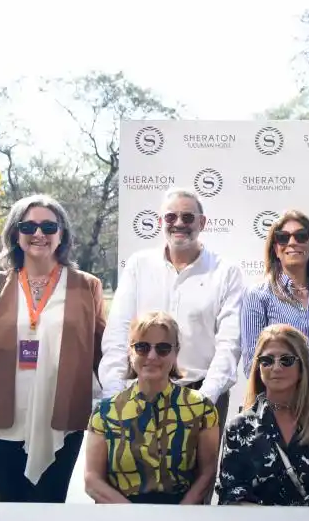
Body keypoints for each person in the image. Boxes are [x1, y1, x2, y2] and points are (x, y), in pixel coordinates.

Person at [0, 194, 105, 503]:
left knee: (51, 506)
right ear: (15, 234)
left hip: (62, 426)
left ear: (62, 234)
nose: (38, 233)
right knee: (10, 507)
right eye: (28, 226)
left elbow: (102, 357)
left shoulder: (87, 286)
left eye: (48, 226)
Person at [99, 187, 244, 438]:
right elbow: (118, 332)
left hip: (201, 394)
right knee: (137, 477)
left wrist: (203, 399)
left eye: (187, 217)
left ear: (202, 222)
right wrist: (114, 395)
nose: (179, 223)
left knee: (201, 477)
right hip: (140, 395)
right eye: (170, 217)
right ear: (160, 222)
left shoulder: (227, 273)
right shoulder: (138, 266)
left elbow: (229, 344)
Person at [84, 311, 220, 504]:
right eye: (142, 347)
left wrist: (180, 514)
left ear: (176, 352)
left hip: (181, 517)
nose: (152, 356)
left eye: (163, 348)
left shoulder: (202, 408)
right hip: (121, 517)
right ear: (130, 352)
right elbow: (92, 480)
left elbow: (207, 473)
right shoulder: (105, 412)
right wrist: (136, 517)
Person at [217, 324, 309, 506]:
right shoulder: (239, 427)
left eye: (286, 360)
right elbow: (230, 492)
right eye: (267, 360)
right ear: (258, 367)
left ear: (302, 367)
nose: (276, 367)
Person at [240, 210, 309, 404]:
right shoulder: (259, 295)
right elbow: (252, 363)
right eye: (283, 237)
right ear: (275, 249)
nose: (292, 242)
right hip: (275, 407)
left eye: (301, 236)